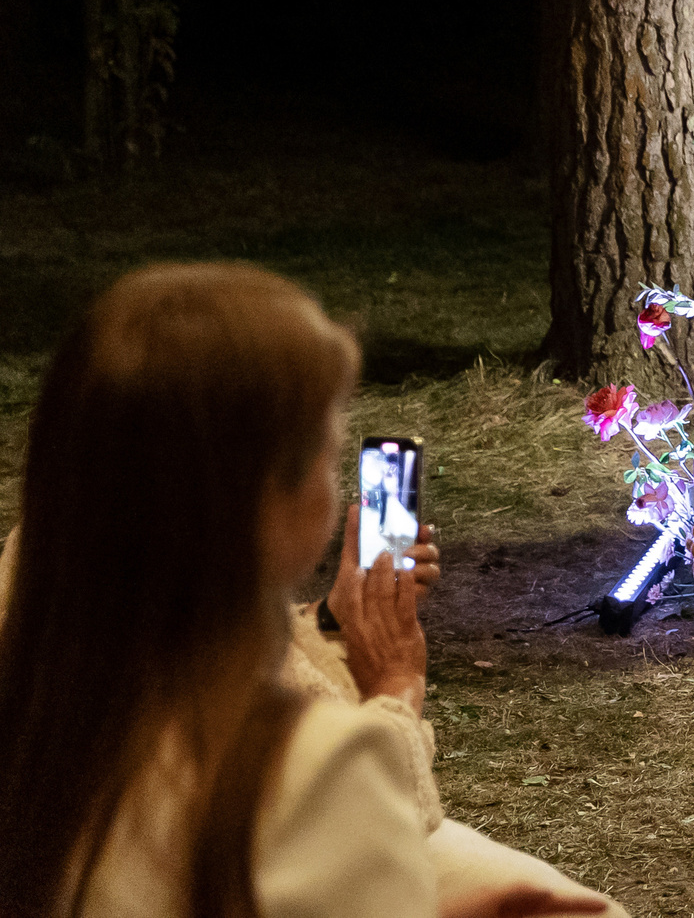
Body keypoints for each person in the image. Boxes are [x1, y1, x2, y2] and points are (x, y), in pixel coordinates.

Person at [0, 263, 611, 918]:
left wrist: (329, 619)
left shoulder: (39, 687)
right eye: (327, 452)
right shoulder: (318, 769)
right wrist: (395, 697)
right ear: (266, 503)